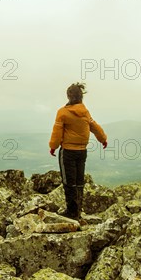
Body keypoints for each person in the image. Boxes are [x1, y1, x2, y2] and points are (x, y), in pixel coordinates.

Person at [49, 82, 107, 219]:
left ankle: (72, 212)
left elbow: (57, 132)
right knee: (79, 181)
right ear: (81, 96)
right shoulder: (85, 112)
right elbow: (95, 127)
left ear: (69, 96)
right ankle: (78, 211)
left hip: (67, 152)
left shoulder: (62, 112)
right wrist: (103, 139)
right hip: (82, 151)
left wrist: (53, 146)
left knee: (69, 182)